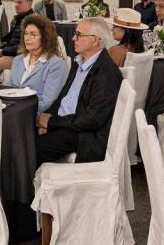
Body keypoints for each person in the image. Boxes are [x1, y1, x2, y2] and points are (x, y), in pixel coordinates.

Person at [35, 17, 123, 164]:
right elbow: (63, 96)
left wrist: (52, 122)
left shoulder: (106, 72)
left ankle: (24, 179)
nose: (73, 38)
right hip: (68, 124)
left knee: (30, 148)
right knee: (21, 135)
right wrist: (48, 116)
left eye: (79, 35)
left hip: (85, 136)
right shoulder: (80, 61)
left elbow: (93, 120)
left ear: (95, 41)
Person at [8, 15, 68, 113]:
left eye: (33, 34)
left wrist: (19, 111)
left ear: (45, 38)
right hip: (12, 110)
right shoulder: (18, 60)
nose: (27, 38)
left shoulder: (56, 65)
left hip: (34, 114)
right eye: (26, 34)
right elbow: (8, 90)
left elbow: (47, 101)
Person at [0, 0, 35, 76]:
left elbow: (25, 47)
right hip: (11, 53)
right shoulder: (17, 19)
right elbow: (11, 40)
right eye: (15, 2)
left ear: (29, 3)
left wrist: (3, 51)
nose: (16, 5)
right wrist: (0, 49)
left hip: (22, 57)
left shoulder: (33, 22)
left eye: (20, 2)